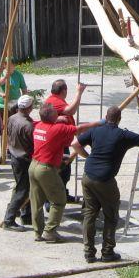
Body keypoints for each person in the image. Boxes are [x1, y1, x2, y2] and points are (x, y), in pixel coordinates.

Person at [71, 106, 139, 262]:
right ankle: (107, 252)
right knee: (111, 216)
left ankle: (89, 253)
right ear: (119, 119)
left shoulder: (96, 131)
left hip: (88, 176)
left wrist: (87, 156)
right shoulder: (122, 135)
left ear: (105, 117)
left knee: (90, 214)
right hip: (105, 180)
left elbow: (75, 144)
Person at [29, 104, 101, 243]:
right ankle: (50, 232)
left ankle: (38, 232)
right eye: (56, 113)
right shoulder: (57, 128)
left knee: (36, 201)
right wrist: (99, 123)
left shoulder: (38, 126)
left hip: (34, 165)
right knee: (59, 200)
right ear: (51, 117)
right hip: (46, 169)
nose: (58, 114)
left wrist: (60, 157)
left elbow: (48, 146)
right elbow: (79, 129)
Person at [45, 79, 87, 201]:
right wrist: (79, 93)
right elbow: (71, 110)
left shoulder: (55, 99)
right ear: (64, 90)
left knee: (64, 172)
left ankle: (63, 195)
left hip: (62, 143)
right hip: (58, 145)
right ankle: (51, 200)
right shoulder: (54, 100)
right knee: (58, 172)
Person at [0, 95, 36, 231]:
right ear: (29, 107)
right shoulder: (27, 125)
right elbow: (34, 144)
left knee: (25, 187)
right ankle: (9, 219)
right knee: (23, 190)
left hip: (15, 156)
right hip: (23, 160)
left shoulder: (12, 118)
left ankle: (26, 215)